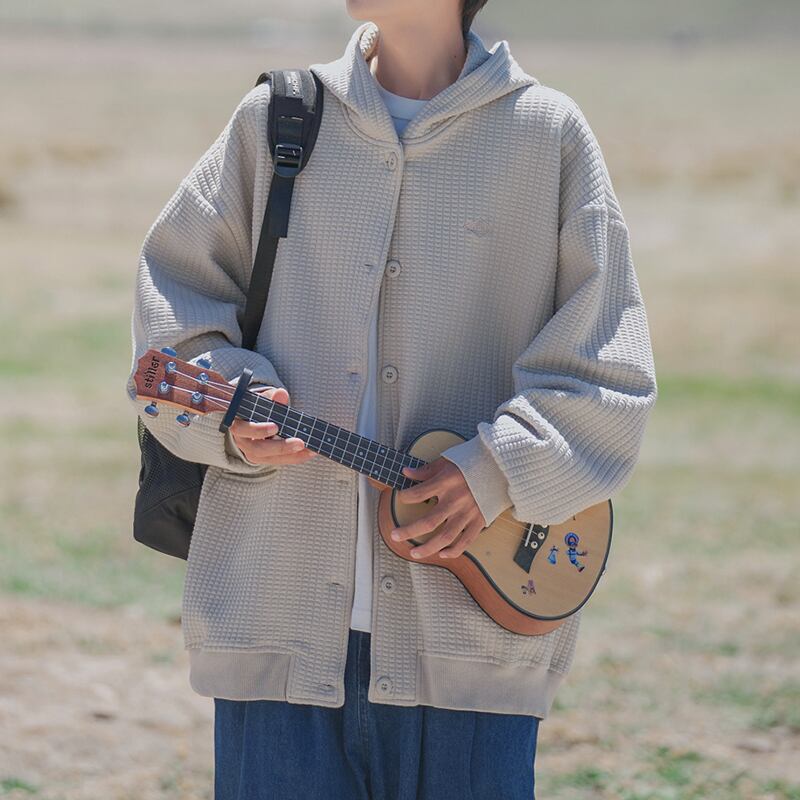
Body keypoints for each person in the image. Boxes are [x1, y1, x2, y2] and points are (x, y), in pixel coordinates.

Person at [125, 0, 658, 797]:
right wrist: (235, 419)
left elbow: (609, 372)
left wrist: (496, 471)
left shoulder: (547, 136)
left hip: (473, 647)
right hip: (275, 629)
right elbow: (174, 316)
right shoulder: (276, 121)